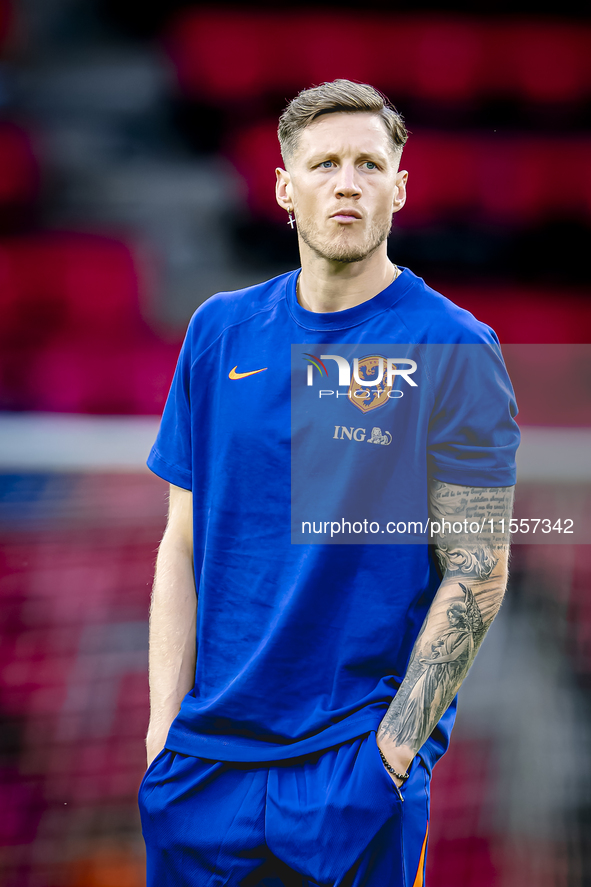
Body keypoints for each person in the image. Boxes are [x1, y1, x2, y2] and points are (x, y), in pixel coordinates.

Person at [138, 79, 520, 887]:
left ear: (398, 187)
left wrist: (394, 748)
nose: (345, 182)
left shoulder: (452, 344)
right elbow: (179, 544)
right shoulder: (218, 331)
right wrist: (162, 729)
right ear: (283, 186)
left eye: (367, 164)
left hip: (352, 765)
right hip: (202, 767)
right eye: (323, 164)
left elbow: (478, 568)